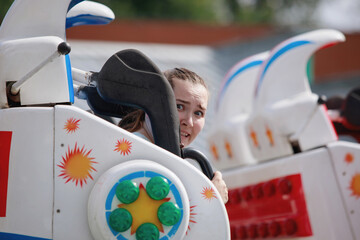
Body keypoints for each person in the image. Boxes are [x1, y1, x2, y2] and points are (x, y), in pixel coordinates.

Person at [119, 67, 228, 203]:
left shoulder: (162, 157)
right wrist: (212, 199)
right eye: (179, 106)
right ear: (153, 106)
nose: (189, 122)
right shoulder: (134, 153)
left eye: (198, 113)